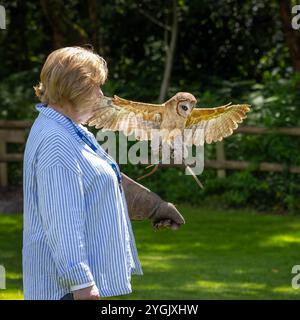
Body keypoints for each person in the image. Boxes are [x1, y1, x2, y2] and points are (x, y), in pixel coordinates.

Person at [22, 46, 144, 300]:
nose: (101, 95)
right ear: (74, 88)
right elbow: (62, 220)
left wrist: (152, 206)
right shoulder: (57, 141)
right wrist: (82, 284)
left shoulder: (67, 129)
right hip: (66, 291)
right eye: (96, 87)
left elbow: (94, 181)